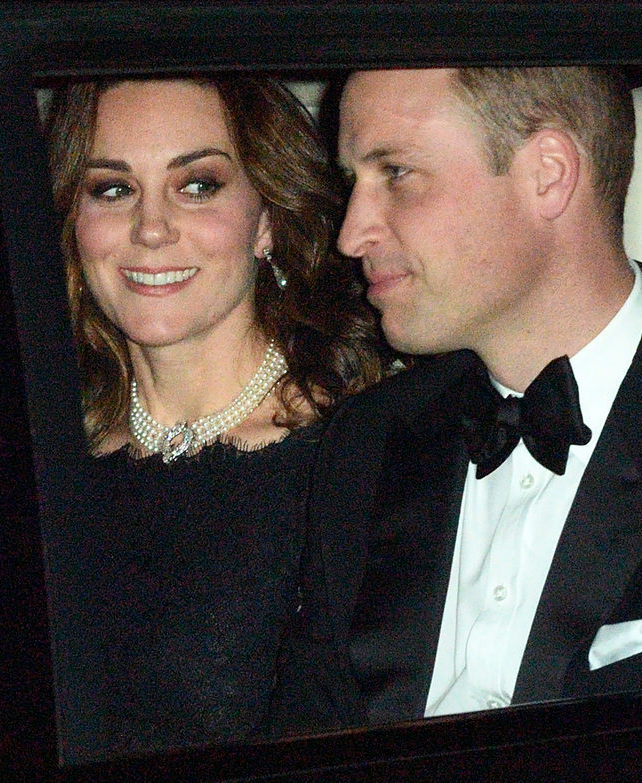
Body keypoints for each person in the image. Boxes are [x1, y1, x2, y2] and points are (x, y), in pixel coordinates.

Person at [270, 67, 642, 731]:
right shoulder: (372, 437)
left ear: (549, 174)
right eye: (355, 184)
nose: (352, 235)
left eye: (398, 174)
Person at [44, 76, 389, 759]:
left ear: (266, 219)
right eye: (112, 189)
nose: (150, 227)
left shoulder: (355, 460)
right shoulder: (40, 456)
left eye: (196, 184)